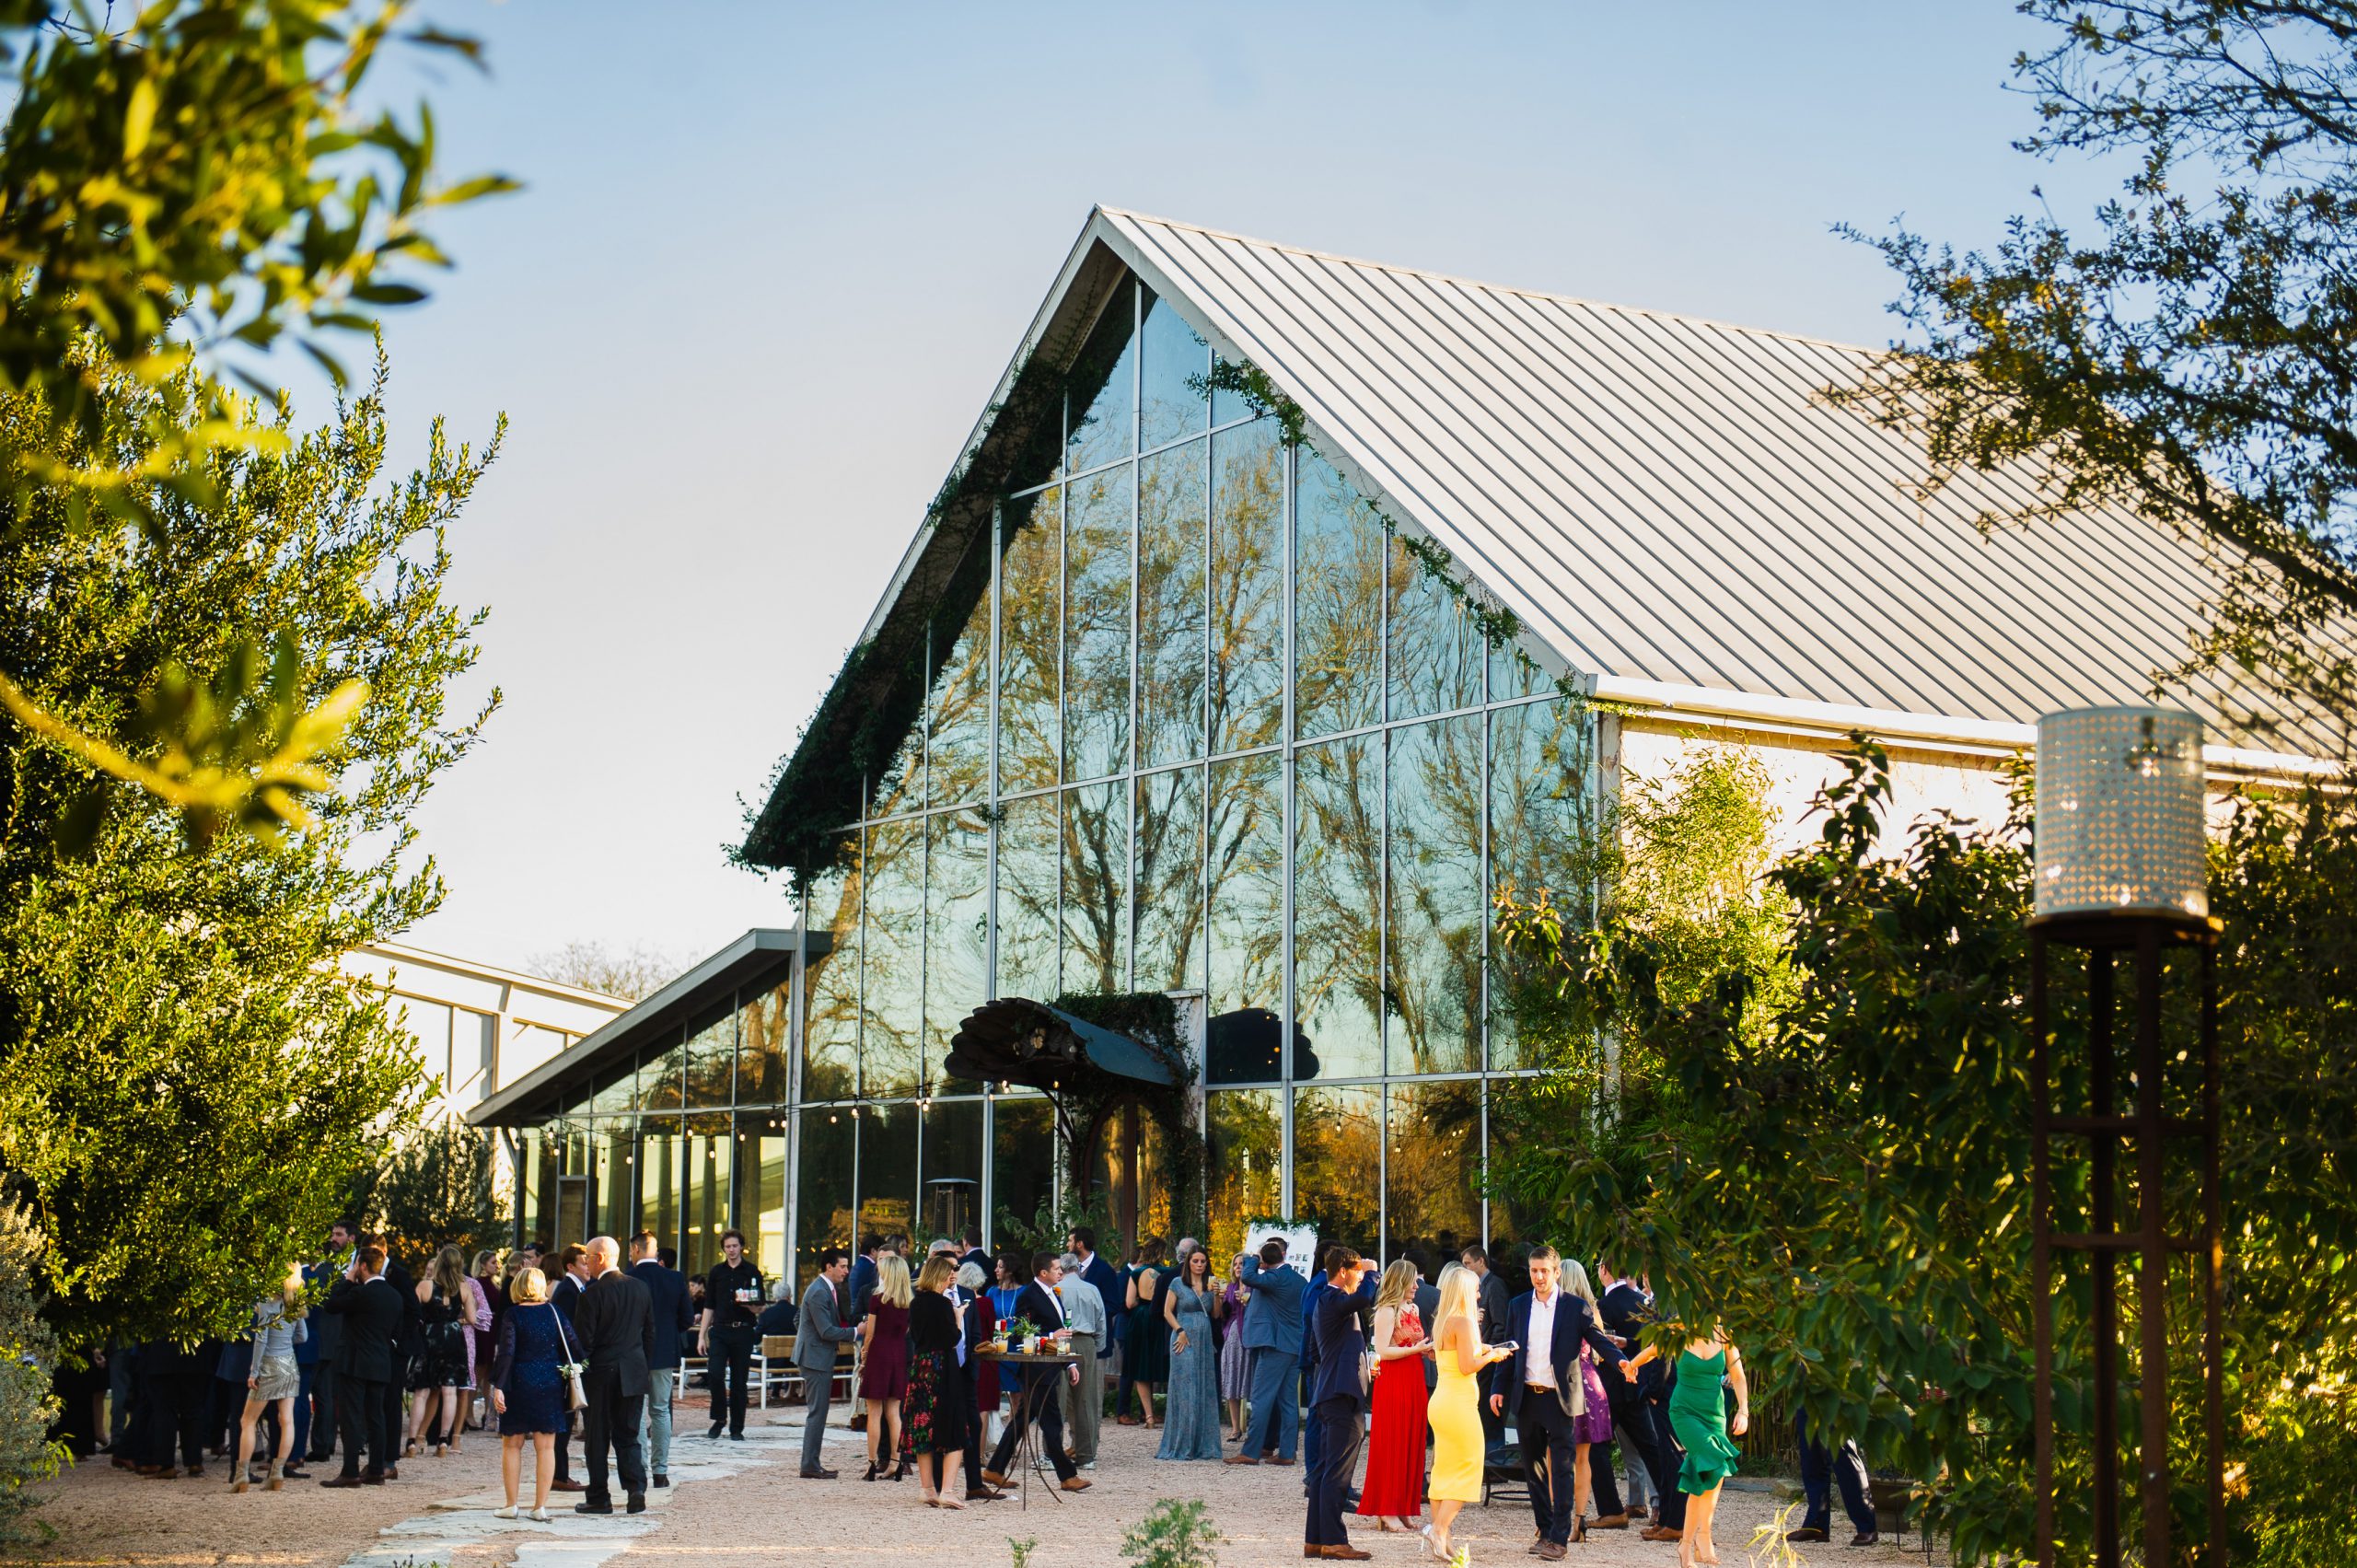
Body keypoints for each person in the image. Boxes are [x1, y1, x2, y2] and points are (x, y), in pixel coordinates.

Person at [1485, 1244, 1629, 1561]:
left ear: (1556, 1272)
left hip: (1561, 1399)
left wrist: (1621, 1362)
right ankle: (1545, 1530)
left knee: (1563, 1470)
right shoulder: (1518, 1305)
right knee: (1533, 1469)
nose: (1538, 1277)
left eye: (1544, 1271)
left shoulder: (1575, 1307)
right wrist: (1498, 1387)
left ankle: (1560, 1538)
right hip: (1527, 1396)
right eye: (1534, 1271)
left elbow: (1598, 1339)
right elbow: (1509, 1349)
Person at [1629, 1323, 1748, 1568]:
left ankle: (1687, 1544)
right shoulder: (1678, 1331)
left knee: (1710, 1474)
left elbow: (1738, 1375)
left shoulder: (1725, 1335)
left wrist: (1744, 1411)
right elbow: (1653, 1351)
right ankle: (1702, 1538)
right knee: (1711, 1461)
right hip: (1684, 1411)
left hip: (1714, 1414)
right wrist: (1631, 1366)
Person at [1422, 1263, 1515, 1562]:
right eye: (1475, 1288)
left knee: (1444, 1469)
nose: (1479, 1293)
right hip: (1458, 1405)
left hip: (1442, 1401)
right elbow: (1467, 1366)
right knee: (1469, 1467)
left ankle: (1443, 1538)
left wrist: (1485, 1347)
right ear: (1464, 1290)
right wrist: (1493, 1355)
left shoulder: (1445, 1320)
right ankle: (1438, 1529)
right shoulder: (1463, 1321)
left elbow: (1454, 1355)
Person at [981, 1252, 1089, 1493]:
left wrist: (1069, 1363)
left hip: (1051, 1364)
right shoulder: (1029, 1295)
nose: (1061, 1272)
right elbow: (1021, 1334)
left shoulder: (1054, 1294)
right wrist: (1052, 1337)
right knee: (1051, 1421)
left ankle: (995, 1469)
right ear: (1043, 1273)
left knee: (1023, 1419)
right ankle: (1067, 1476)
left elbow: (1061, 1331)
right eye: (1056, 1269)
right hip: (1035, 1368)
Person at [1596, 1259, 1686, 1544]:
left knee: (1669, 1455)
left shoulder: (1659, 1305)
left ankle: (1671, 1520)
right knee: (1656, 1452)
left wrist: (1654, 1390)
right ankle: (1666, 1514)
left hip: (1652, 1388)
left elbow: (1663, 1352)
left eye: (1647, 1272)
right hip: (1645, 1386)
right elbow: (1651, 1345)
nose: (1643, 1276)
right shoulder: (1646, 1301)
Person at [571, 1235, 656, 1516]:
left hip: (600, 1374)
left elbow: (584, 1341)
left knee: (597, 1436)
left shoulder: (591, 1295)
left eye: (588, 1259)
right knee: (629, 1434)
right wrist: (641, 1364)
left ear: (600, 1258)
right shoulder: (640, 1288)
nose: (586, 1264)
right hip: (632, 1371)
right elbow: (649, 1334)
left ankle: (599, 1496)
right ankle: (636, 1490)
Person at [1304, 1246, 1377, 1562]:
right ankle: (1334, 1541)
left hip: (1331, 1390)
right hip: (1340, 1395)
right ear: (1344, 1271)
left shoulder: (1328, 1303)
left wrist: (1356, 1363)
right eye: (1358, 1271)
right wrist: (1373, 1271)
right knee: (1337, 1472)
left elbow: (1316, 1351)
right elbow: (1364, 1298)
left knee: (1323, 1470)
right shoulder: (1333, 1298)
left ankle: (1316, 1540)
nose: (1362, 1277)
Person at [1355, 1258, 1432, 1532]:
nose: (1416, 1285)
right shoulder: (1387, 1311)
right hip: (1394, 1380)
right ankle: (1387, 1509)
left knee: (1413, 1442)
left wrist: (1428, 1350)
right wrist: (1416, 1349)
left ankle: (1405, 1506)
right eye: (1411, 1280)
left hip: (1415, 1378)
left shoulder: (1414, 1307)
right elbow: (1385, 1352)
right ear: (1399, 1281)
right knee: (1394, 1443)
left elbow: (1414, 1343)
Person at [319, 1245, 401, 1487]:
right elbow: (397, 1330)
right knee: (376, 1416)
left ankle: (351, 1471)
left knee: (352, 1416)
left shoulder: (360, 1293)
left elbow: (331, 1304)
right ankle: (376, 1469)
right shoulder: (394, 1296)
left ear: (362, 1266)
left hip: (354, 1361)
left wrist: (347, 1279)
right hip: (381, 1361)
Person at [490, 1265, 566, 1522]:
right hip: (549, 1383)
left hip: (518, 1383)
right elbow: (574, 1346)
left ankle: (511, 1504)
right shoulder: (555, 1312)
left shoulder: (513, 1314)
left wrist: (498, 1385)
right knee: (546, 1448)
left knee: (512, 1444)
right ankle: (539, 1507)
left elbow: (507, 1352)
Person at [901, 1253, 971, 1508]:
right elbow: (953, 1338)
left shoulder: (915, 1303)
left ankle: (927, 1488)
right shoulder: (942, 1304)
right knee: (954, 1427)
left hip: (921, 1368)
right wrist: (958, 1318)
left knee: (923, 1427)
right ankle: (948, 1490)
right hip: (943, 1368)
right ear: (938, 1277)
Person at [231, 1263, 308, 1493]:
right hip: (289, 1364)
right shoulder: (294, 1306)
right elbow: (302, 1336)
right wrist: (285, 1343)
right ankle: (277, 1473)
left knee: (247, 1420)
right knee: (286, 1420)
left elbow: (261, 1340)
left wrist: (254, 1371)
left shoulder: (266, 1305)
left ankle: (241, 1475)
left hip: (269, 1365)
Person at [1562, 1260, 1627, 1529]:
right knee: (1586, 1454)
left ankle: (1564, 1516)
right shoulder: (1593, 1309)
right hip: (1592, 1381)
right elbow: (1599, 1353)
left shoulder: (1564, 1310)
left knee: (1564, 1455)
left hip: (1570, 1383)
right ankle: (1582, 1515)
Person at [1231, 1237, 1305, 1466]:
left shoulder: (1275, 1277)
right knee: (1289, 1402)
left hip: (1276, 1346)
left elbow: (1247, 1276)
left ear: (1265, 1260)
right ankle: (1287, 1453)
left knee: (1261, 1398)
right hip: (1293, 1345)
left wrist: (1254, 1257)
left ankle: (1251, 1452)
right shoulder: (1298, 1279)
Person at [627, 1231, 691, 1489]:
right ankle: (660, 1471)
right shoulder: (675, 1278)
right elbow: (687, 1318)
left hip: (633, 1352)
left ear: (635, 1249)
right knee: (661, 1411)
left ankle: (640, 1468)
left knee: (638, 1413)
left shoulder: (628, 1278)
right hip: (664, 1351)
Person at [406, 1246, 475, 1458]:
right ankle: (444, 1441)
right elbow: (472, 1319)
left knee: (422, 1392)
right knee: (450, 1391)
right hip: (453, 1338)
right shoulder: (463, 1288)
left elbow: (411, 1314)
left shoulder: (425, 1286)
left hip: (429, 1337)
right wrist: (455, 1320)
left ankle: (411, 1441)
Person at [1157, 1243, 1225, 1461]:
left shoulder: (1210, 1283)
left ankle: (1203, 1444)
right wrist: (1180, 1331)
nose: (1199, 1265)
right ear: (1188, 1263)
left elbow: (1216, 1315)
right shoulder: (1177, 1282)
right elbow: (1166, 1311)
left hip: (1204, 1339)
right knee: (1185, 1387)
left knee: (1203, 1387)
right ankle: (1181, 1444)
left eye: (1203, 1261)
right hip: (1182, 1336)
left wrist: (1217, 1296)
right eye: (1195, 1261)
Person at [795, 1247, 856, 1479]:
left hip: (815, 1356)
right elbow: (826, 1331)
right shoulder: (819, 1291)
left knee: (818, 1412)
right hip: (815, 1359)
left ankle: (811, 1463)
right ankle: (810, 1465)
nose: (846, 1271)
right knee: (817, 1413)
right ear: (829, 1267)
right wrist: (855, 1332)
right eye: (842, 1266)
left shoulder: (823, 1289)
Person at [698, 1228, 764, 1442]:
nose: (732, 1250)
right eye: (728, 1246)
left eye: (735, 1246)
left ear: (741, 1247)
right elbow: (709, 1306)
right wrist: (701, 1336)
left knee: (739, 1380)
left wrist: (753, 1308)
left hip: (743, 1329)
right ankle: (719, 1418)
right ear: (723, 1249)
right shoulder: (717, 1272)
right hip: (720, 1330)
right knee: (715, 1374)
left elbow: (760, 1305)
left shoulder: (752, 1271)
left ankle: (737, 1427)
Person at [857, 1250, 913, 1480]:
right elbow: (907, 1331)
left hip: (879, 1353)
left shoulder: (877, 1299)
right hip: (898, 1354)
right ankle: (896, 1462)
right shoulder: (908, 1301)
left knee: (874, 1412)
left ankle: (871, 1463)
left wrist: (864, 1357)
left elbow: (869, 1334)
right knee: (894, 1412)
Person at [304, 1222, 355, 1464]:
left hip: (312, 1338)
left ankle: (300, 1447)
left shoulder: (311, 1274)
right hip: (334, 1340)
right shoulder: (340, 1275)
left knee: (305, 1395)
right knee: (325, 1396)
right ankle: (323, 1445)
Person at [1789, 1411, 1877, 1548]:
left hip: (1836, 1395)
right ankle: (1817, 1525)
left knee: (1844, 1458)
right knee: (1811, 1459)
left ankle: (1866, 1526)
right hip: (1806, 1392)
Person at [955, 1261, 1004, 1501]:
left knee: (977, 1413)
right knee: (980, 1410)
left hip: (975, 1358)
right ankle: (979, 1456)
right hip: (981, 1358)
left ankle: (974, 1460)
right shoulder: (984, 1301)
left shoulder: (970, 1301)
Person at [1053, 1250, 1106, 1469]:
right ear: (1078, 1268)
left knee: (1057, 1398)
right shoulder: (1091, 1289)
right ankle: (1086, 1455)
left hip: (1061, 1341)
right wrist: (1098, 1347)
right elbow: (1101, 1321)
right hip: (1086, 1341)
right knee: (1086, 1399)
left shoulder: (1056, 1290)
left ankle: (1051, 1454)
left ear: (1061, 1270)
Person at [548, 1244, 589, 1493]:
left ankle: (561, 1474)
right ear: (571, 1265)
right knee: (564, 1421)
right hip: (568, 1365)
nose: (588, 1266)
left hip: (573, 1363)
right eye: (584, 1262)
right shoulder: (567, 1290)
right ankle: (558, 1475)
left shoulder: (577, 1288)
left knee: (569, 1419)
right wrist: (574, 1365)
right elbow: (565, 1329)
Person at [1122, 1239, 1169, 1427]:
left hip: (1141, 1318)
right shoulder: (1168, 1273)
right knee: (1163, 1363)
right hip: (1160, 1317)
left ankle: (1148, 1416)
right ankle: (1169, 1413)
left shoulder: (1136, 1273)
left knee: (1141, 1366)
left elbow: (1129, 1303)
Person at [469, 1249, 506, 1430]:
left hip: (493, 1331)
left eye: (497, 1262)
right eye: (493, 1262)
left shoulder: (493, 1283)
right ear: (483, 1265)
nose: (496, 1265)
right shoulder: (479, 1283)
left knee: (489, 1376)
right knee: (478, 1372)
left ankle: (487, 1413)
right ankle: (468, 1414)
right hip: (483, 1331)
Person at [1217, 1253, 1252, 1442]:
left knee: (1251, 1381)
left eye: (1242, 1264)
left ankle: (1254, 1428)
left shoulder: (1254, 1287)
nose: (1238, 1267)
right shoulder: (1229, 1287)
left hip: (1250, 1337)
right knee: (1232, 1380)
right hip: (1232, 1337)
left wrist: (1248, 1302)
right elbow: (1221, 1315)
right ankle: (1235, 1428)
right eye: (1236, 1264)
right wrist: (1220, 1299)